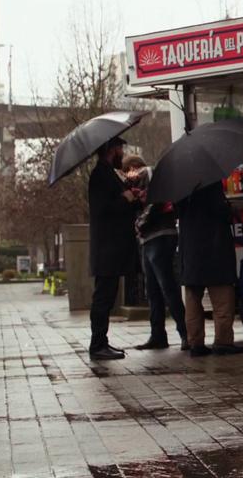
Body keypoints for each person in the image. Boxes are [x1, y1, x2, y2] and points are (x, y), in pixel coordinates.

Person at [125, 156, 188, 351]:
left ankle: (184, 333)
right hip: (152, 238)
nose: (128, 175)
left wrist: (139, 224)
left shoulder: (147, 173)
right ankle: (159, 334)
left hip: (157, 236)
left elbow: (154, 203)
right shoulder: (148, 178)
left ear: (134, 167)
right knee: (154, 289)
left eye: (128, 170)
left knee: (165, 287)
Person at [177, 181, 243, 357]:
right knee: (222, 299)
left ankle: (196, 342)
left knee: (192, 299)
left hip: (190, 250)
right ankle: (223, 341)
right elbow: (220, 211)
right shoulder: (210, 182)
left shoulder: (180, 186)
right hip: (214, 249)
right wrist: (229, 209)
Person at [88, 137, 141, 361]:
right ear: (111, 149)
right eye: (120, 148)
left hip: (113, 248)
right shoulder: (100, 175)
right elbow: (103, 210)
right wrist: (125, 198)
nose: (122, 152)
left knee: (107, 297)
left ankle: (102, 342)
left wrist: (134, 199)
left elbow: (120, 205)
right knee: (103, 297)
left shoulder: (110, 173)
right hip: (106, 248)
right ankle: (97, 344)